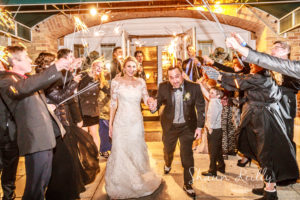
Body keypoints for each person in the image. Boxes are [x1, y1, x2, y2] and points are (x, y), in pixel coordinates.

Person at [219, 63, 299, 200]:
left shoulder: (260, 78)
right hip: (260, 116)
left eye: (253, 64)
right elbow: (252, 95)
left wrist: (219, 76)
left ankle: (270, 192)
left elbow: (239, 81)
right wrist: (233, 101)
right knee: (261, 151)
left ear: (261, 66)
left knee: (265, 153)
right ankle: (268, 184)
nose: (250, 65)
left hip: (262, 118)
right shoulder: (266, 77)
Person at [0, 46, 70, 200]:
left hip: (44, 137)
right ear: (14, 61)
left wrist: (67, 69)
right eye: (26, 57)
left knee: (42, 184)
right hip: (34, 138)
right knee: (34, 188)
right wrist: (55, 67)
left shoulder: (24, 79)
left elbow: (42, 84)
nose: (30, 60)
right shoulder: (5, 80)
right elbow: (24, 88)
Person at [105, 56, 161, 199]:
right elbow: (113, 104)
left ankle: (136, 180)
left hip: (136, 121)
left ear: (137, 68)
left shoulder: (141, 82)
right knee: (120, 150)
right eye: (128, 66)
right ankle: (119, 183)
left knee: (135, 148)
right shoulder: (116, 82)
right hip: (121, 121)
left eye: (133, 67)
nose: (131, 69)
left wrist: (151, 101)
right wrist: (110, 124)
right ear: (124, 67)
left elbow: (145, 97)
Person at [150, 65, 205, 197]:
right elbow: (158, 102)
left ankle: (188, 183)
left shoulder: (194, 87)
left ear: (182, 75)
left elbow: (201, 107)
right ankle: (167, 163)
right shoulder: (163, 87)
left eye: (177, 76)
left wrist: (199, 127)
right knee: (168, 150)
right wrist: (153, 107)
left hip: (187, 127)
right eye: (171, 77)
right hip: (170, 126)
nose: (174, 80)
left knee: (187, 156)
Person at [225, 36, 300, 78]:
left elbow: (266, 60)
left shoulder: (292, 70)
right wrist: (243, 44)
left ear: (286, 50)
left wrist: (239, 47)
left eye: (276, 48)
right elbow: (262, 59)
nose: (272, 50)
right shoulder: (271, 66)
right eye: (272, 48)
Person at [0, 61, 19, 200]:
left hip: (8, 129)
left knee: (9, 166)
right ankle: (8, 195)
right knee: (9, 165)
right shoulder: (8, 79)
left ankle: (8, 195)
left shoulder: (9, 79)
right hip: (6, 130)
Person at [198, 81, 225, 177]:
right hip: (218, 129)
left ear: (218, 96)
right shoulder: (215, 101)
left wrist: (209, 128)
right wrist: (201, 85)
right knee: (217, 149)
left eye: (212, 93)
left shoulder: (214, 103)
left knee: (212, 151)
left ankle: (212, 170)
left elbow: (212, 117)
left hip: (213, 129)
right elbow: (206, 94)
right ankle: (221, 166)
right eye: (210, 92)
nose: (209, 94)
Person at [78, 57, 102, 150]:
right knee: (84, 135)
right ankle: (85, 156)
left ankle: (96, 155)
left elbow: (108, 90)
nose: (99, 69)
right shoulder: (84, 74)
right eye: (97, 66)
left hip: (93, 110)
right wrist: (89, 76)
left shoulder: (100, 79)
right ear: (93, 66)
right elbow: (80, 87)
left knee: (94, 134)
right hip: (83, 109)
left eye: (101, 67)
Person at [96, 58, 112, 159]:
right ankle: (103, 150)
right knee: (103, 131)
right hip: (99, 110)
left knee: (107, 130)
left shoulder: (105, 82)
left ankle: (107, 148)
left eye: (101, 68)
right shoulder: (93, 81)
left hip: (107, 109)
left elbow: (110, 92)